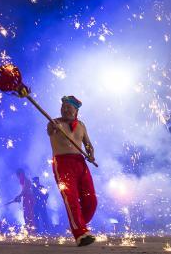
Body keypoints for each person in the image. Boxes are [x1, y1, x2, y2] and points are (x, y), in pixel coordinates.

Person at [48, 95, 97, 246]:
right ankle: (80, 234)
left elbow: (88, 143)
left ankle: (79, 223)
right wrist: (53, 128)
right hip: (62, 163)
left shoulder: (81, 125)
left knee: (91, 200)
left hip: (80, 163)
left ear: (76, 110)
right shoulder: (54, 123)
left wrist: (90, 154)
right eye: (63, 107)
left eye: (68, 107)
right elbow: (50, 131)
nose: (65, 110)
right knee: (72, 200)